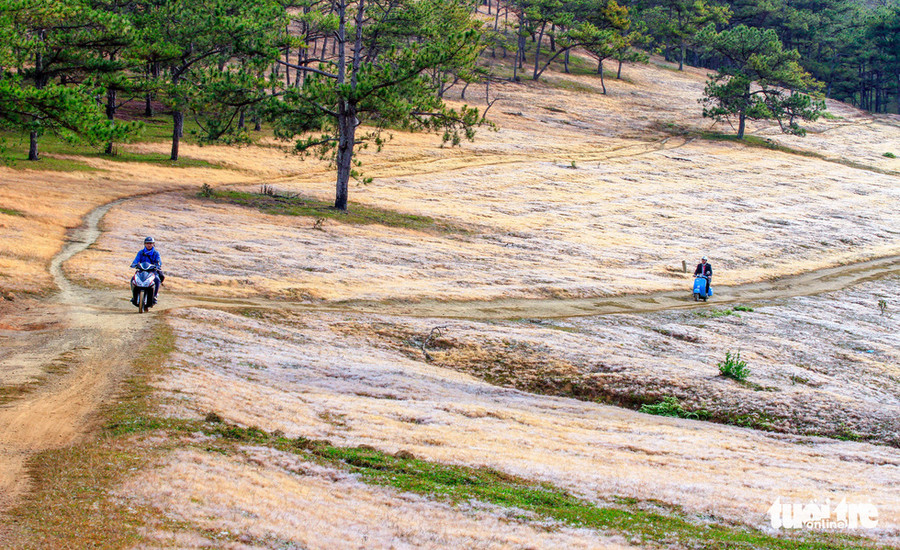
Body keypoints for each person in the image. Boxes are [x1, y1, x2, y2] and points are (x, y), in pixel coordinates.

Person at [131, 236, 164, 305]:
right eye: (147, 243)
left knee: (157, 279)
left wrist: (158, 265)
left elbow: (159, 261)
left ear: (153, 244)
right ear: (145, 244)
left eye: (150, 243)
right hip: (141, 270)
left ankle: (154, 296)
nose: (149, 245)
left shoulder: (156, 253)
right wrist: (134, 264)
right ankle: (134, 296)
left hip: (152, 271)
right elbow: (136, 260)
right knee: (133, 279)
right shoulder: (141, 252)